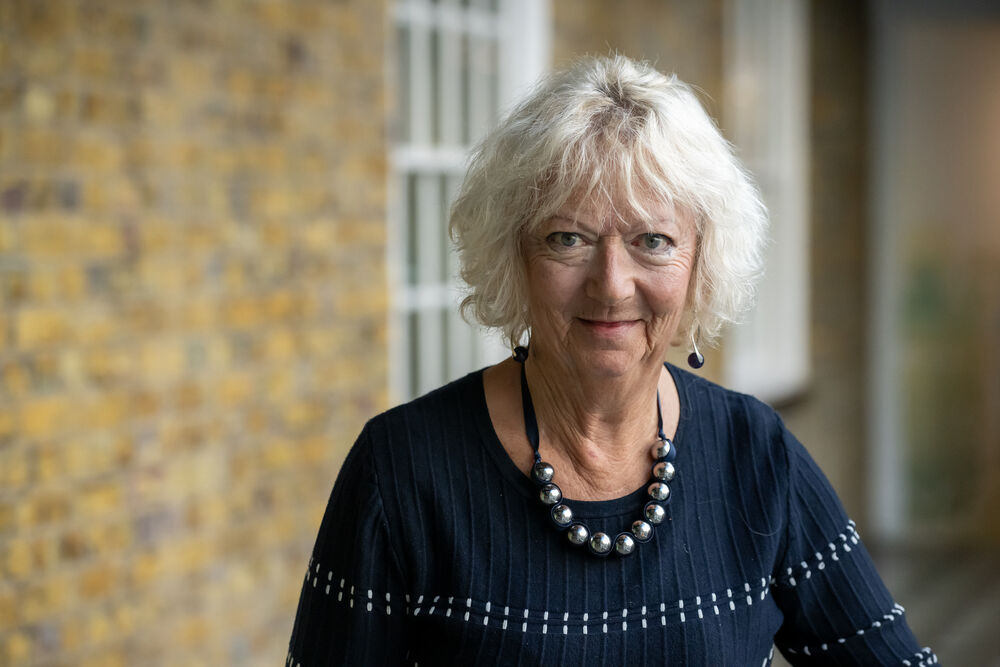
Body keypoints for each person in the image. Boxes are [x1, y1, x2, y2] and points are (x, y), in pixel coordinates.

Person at [287, 55, 937, 666]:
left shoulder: (757, 455)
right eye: (568, 238)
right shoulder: (398, 471)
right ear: (513, 256)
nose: (613, 283)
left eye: (653, 240)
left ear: (701, 264)